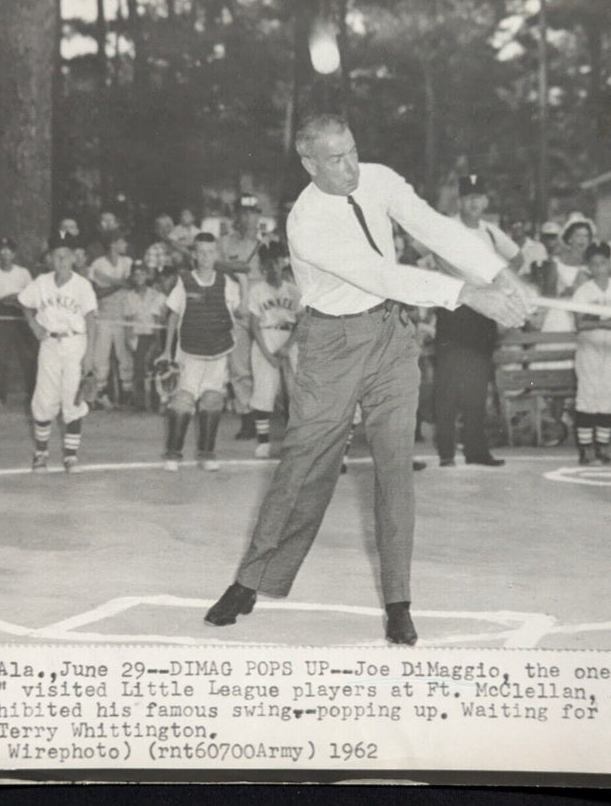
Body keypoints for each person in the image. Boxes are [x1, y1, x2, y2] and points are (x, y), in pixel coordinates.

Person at [203, 114, 528, 644]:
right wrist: (466, 293)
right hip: (332, 346)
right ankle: (251, 580)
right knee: (306, 466)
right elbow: (379, 273)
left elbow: (434, 227)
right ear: (309, 165)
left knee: (395, 466)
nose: (351, 166)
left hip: (392, 338)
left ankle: (398, 601)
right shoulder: (305, 223)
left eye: (352, 150)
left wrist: (497, 274)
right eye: (335, 159)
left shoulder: (378, 178)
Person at [433, 174, 520, 468]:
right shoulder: (446, 229)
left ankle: (475, 450)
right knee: (447, 382)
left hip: (483, 312)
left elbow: (516, 259)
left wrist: (500, 283)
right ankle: (446, 452)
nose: (473, 202)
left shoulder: (491, 233)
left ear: (485, 201)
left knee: (478, 383)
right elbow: (414, 252)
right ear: (459, 200)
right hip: (453, 308)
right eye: (467, 196)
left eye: (478, 196)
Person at [160, 232, 241, 472]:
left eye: (210, 252)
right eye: (201, 252)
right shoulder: (184, 281)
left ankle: (206, 454)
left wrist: (244, 282)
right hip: (189, 351)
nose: (206, 257)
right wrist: (166, 351)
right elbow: (173, 316)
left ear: (216, 254)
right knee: (183, 400)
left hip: (218, 351)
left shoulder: (228, 284)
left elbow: (240, 314)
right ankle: (173, 454)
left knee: (212, 399)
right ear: (194, 255)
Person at [18, 236, 99, 473]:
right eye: (57, 255)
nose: (62, 259)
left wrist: (90, 355)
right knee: (44, 398)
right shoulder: (41, 282)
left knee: (72, 397)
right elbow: (24, 302)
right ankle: (41, 453)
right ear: (50, 259)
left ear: (74, 258)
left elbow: (91, 320)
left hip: (76, 343)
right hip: (50, 343)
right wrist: (33, 324)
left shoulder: (82, 285)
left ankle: (70, 456)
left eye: (66, 255)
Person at [571, 243, 611, 465]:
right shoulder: (584, 291)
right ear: (589, 267)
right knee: (588, 393)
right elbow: (580, 323)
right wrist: (606, 322)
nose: (599, 268)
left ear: (610, 264)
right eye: (594, 264)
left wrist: (608, 322)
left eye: (603, 263)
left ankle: (602, 447)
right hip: (590, 346)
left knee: (609, 394)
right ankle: (585, 448)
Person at [218, 194, 266, 439]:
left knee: (266, 362)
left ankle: (269, 415)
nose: (247, 217)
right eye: (242, 213)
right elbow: (213, 264)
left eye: (252, 212)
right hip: (237, 307)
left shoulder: (267, 242)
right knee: (239, 365)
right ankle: (247, 417)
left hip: (263, 308)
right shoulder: (225, 243)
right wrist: (234, 268)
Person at [247, 243, 301, 458]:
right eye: (270, 264)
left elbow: (302, 322)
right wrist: (268, 354)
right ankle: (263, 442)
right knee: (264, 389)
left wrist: (288, 346)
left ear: (283, 263)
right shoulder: (257, 291)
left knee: (295, 391)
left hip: (290, 339)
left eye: (278, 262)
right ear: (263, 267)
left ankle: (293, 441)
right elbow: (253, 324)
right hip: (265, 337)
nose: (275, 268)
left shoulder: (294, 291)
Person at [0, 238, 35, 407]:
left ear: (14, 254)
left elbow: (30, 295)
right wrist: (4, 300)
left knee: (27, 356)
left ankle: (33, 395)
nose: (5, 254)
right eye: (2, 251)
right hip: (2, 316)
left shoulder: (23, 273)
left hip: (21, 315)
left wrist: (16, 299)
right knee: (0, 356)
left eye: (8, 251)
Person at [89, 229, 135, 408]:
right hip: (105, 315)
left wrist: (110, 281)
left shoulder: (128, 262)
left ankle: (126, 393)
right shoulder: (98, 264)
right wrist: (119, 283)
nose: (125, 245)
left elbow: (132, 282)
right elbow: (96, 293)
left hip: (124, 313)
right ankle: (100, 393)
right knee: (101, 355)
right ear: (112, 244)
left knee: (124, 355)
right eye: (122, 242)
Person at [122, 261, 167, 411]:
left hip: (154, 336)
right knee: (139, 368)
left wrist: (159, 341)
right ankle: (140, 402)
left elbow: (161, 317)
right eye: (136, 274)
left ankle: (158, 400)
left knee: (156, 368)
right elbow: (128, 320)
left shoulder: (156, 294)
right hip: (138, 336)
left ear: (147, 275)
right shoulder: (129, 296)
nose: (139, 276)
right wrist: (129, 339)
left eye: (142, 273)